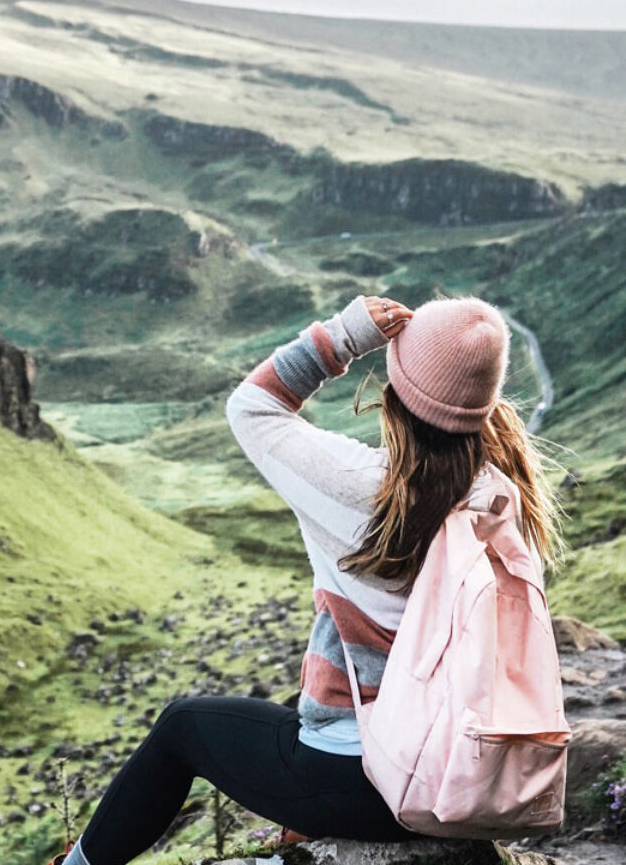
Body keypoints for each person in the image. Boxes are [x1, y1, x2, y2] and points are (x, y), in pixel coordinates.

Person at [47, 292, 562, 865]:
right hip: (461, 775)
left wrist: (341, 336)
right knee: (296, 704)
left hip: (371, 783)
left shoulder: (364, 490)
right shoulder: (502, 496)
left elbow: (252, 406)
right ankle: (298, 834)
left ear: (396, 396)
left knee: (182, 726)